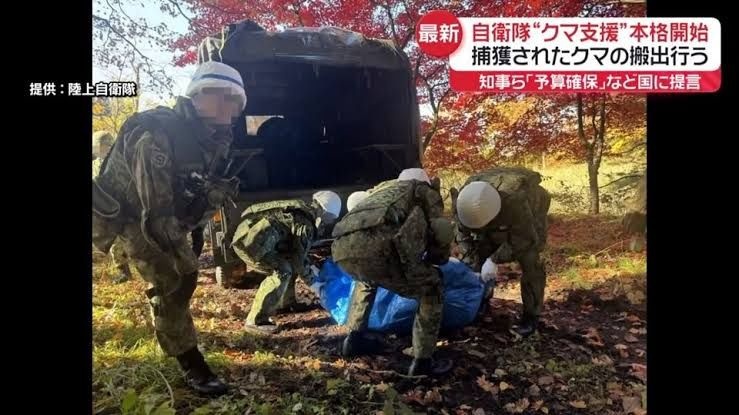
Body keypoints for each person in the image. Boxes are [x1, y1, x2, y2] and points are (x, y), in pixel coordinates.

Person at [92, 61, 246, 395]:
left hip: (168, 214)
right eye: (221, 96)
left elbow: (198, 186)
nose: (229, 106)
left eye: (235, 99)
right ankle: (190, 362)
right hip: (133, 216)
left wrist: (196, 227)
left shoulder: (214, 135)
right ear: (198, 95)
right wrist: (183, 257)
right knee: (174, 281)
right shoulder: (157, 136)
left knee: (182, 272)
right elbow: (155, 215)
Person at [331, 168, 455, 376]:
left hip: (342, 250)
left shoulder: (381, 191)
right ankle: (422, 362)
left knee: (366, 281)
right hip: (383, 252)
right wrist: (438, 257)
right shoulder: (423, 191)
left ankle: (353, 340)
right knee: (432, 288)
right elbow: (440, 229)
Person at [451, 167, 551, 337]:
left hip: (531, 209)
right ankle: (479, 302)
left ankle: (531, 317)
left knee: (531, 260)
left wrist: (494, 259)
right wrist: (472, 259)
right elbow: (462, 235)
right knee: (475, 259)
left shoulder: (517, 202)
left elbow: (524, 239)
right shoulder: (463, 202)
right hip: (492, 210)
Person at [231, 191, 342, 334]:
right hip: (249, 244)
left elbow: (296, 254)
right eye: (329, 218)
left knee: (289, 264)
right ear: (325, 212)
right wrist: (315, 284)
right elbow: (299, 260)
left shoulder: (300, 209)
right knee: (282, 271)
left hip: (248, 235)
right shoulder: (305, 223)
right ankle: (255, 321)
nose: (328, 222)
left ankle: (287, 303)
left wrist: (310, 267)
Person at [93, 131, 132, 284]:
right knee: (116, 244)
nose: (104, 149)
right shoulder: (97, 162)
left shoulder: (118, 161)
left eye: (106, 145)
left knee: (125, 242)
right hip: (105, 210)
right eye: (101, 146)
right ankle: (124, 273)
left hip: (122, 208)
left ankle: (128, 273)